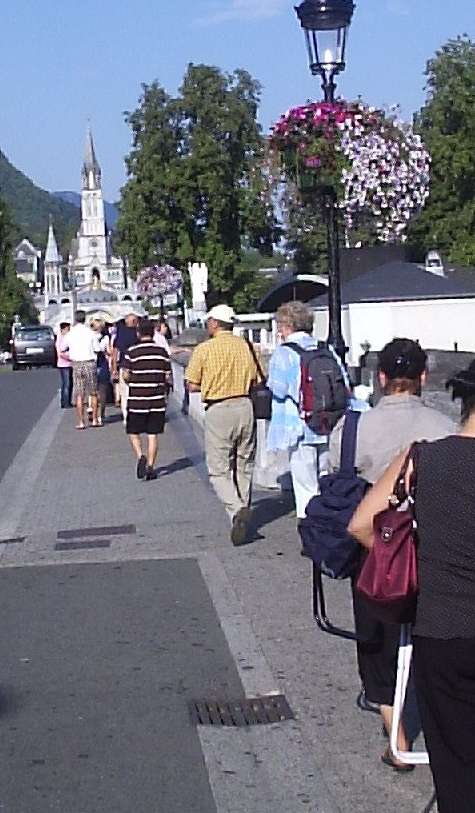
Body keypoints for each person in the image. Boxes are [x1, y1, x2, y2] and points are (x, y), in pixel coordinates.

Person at [349, 361, 475, 809]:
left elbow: (363, 525)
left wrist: (419, 565)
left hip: (440, 627)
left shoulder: (423, 458)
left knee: (455, 762)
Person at [329, 339, 456, 770]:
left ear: (380, 378)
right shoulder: (446, 426)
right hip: (436, 546)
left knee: (376, 637)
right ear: (423, 377)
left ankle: (396, 730)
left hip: (376, 545)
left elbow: (336, 477)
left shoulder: (351, 430)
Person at [184, 304, 263, 545]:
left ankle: (237, 508)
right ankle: (240, 516)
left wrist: (211, 383)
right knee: (244, 464)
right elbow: (260, 378)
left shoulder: (204, 349)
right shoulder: (249, 347)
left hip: (219, 409)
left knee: (218, 468)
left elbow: (191, 384)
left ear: (215, 323)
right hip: (245, 406)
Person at [267, 301, 349, 527]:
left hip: (300, 427)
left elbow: (278, 388)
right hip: (329, 422)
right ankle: (330, 522)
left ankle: (311, 528)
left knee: (305, 484)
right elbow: (345, 383)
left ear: (286, 326)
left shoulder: (284, 353)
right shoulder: (325, 349)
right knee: (325, 476)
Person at [123, 319, 172, 480]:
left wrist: (132, 381)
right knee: (153, 434)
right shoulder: (162, 352)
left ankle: (140, 455)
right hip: (157, 399)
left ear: (138, 333)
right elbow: (167, 376)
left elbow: (126, 375)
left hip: (137, 398)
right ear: (153, 333)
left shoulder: (132, 352)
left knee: (133, 431)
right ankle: (150, 466)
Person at [62, 310, 100, 429]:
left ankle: (80, 422)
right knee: (93, 392)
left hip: (77, 363)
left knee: (79, 394)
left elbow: (63, 347)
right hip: (89, 362)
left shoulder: (70, 334)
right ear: (85, 319)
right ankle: (94, 419)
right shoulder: (90, 333)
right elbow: (97, 349)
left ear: (75, 319)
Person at [111, 313, 139, 420]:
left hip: (124, 365)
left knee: (125, 393)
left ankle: (126, 416)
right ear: (133, 322)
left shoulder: (120, 333)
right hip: (137, 364)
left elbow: (115, 352)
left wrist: (114, 368)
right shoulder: (137, 333)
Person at [92, 320, 113, 425]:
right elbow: (109, 352)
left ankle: (92, 411)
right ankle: (101, 414)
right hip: (103, 364)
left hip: (92, 364)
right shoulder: (106, 338)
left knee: (92, 391)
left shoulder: (89, 337)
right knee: (103, 391)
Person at [55, 322, 73, 409]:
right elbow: (60, 353)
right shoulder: (60, 338)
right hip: (63, 364)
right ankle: (65, 402)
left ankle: (68, 401)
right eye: (67, 329)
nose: (69, 331)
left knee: (70, 384)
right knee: (66, 383)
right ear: (63, 329)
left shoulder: (69, 337)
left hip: (70, 364)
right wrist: (72, 356)